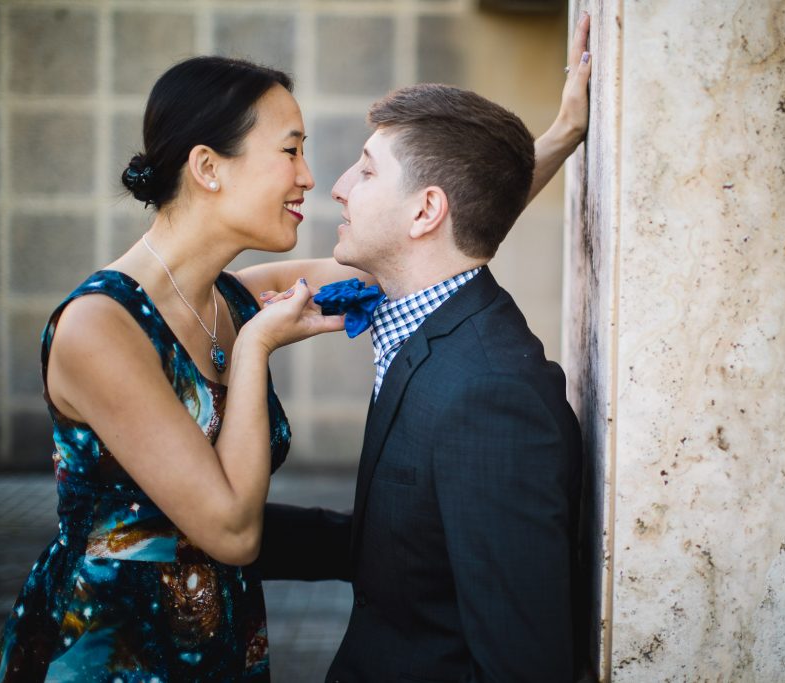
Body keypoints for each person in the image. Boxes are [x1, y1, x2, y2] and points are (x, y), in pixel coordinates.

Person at [0, 18, 590, 682]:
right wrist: (252, 352)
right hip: (121, 649)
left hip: (222, 642)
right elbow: (231, 530)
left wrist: (563, 136)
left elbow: (434, 236)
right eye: (291, 150)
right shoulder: (100, 328)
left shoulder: (234, 298)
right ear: (207, 168)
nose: (312, 176)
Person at [256, 16, 593, 683]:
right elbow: (408, 542)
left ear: (423, 213)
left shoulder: (492, 394)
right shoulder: (418, 315)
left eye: (366, 170)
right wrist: (209, 534)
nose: (339, 186)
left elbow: (523, 668)